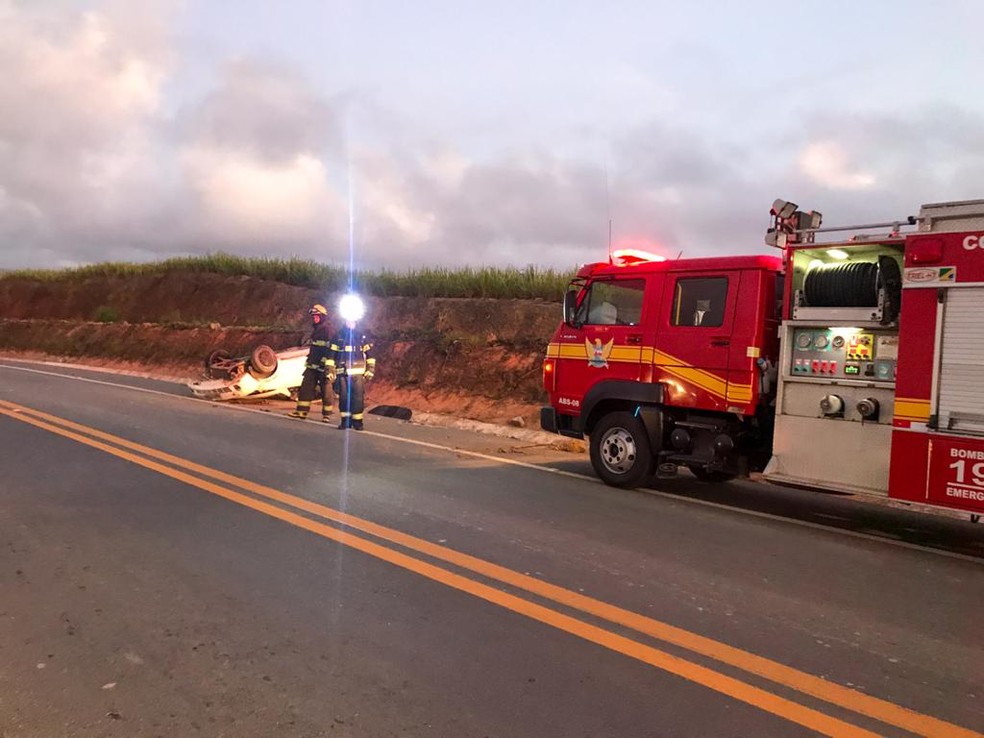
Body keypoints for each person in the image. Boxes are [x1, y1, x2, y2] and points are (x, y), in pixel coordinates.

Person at [288, 304, 335, 421]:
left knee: (326, 389)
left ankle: (327, 414)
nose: (314, 318)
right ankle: (301, 411)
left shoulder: (327, 330)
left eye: (317, 316)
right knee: (306, 387)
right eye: (313, 316)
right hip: (312, 364)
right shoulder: (317, 329)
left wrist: (327, 364)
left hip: (323, 365)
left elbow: (331, 349)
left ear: (323, 316)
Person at [327, 319, 375, 430]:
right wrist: (329, 370)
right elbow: (331, 356)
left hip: (358, 374)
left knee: (358, 398)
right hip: (343, 373)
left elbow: (370, 355)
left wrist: (370, 370)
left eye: (352, 321)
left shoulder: (361, 336)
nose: (350, 323)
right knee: (344, 398)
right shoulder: (338, 336)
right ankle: (345, 422)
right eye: (348, 321)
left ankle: (358, 422)